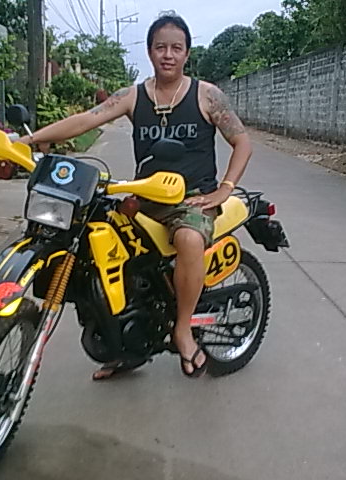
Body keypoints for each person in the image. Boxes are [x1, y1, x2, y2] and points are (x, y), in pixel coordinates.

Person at [19, 11, 253, 379]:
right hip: (144, 197)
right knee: (97, 250)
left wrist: (224, 189)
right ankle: (121, 343)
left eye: (176, 48)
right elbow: (87, 119)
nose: (168, 55)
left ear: (187, 53)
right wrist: (31, 139)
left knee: (189, 239)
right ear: (149, 51)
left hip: (191, 199)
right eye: (161, 47)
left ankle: (183, 329)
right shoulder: (134, 96)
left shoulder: (207, 95)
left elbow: (242, 142)